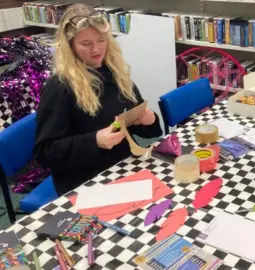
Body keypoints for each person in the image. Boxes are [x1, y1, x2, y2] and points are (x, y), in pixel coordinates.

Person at [34, 4, 162, 196]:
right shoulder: (59, 88)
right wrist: (94, 141)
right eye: (86, 44)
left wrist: (149, 121)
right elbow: (45, 153)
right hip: (85, 183)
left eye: (101, 40)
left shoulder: (115, 72)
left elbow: (139, 128)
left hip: (122, 167)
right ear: (70, 47)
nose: (96, 49)